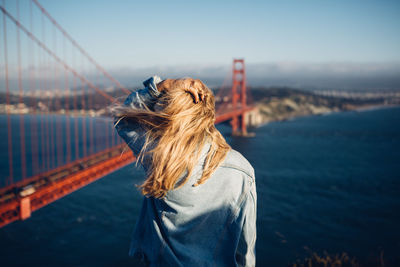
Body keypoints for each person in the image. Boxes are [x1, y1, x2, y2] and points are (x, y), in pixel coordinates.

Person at [113, 76, 257, 267]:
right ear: (208, 115)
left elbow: (123, 118)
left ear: (171, 118)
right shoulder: (242, 170)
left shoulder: (160, 158)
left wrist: (164, 85)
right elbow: (245, 247)